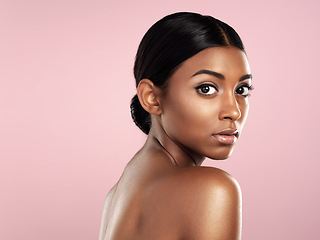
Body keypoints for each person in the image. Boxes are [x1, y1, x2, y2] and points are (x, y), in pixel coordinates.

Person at [99, 12, 253, 240]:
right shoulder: (211, 189)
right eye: (207, 88)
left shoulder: (116, 197)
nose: (233, 111)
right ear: (152, 97)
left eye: (241, 90)